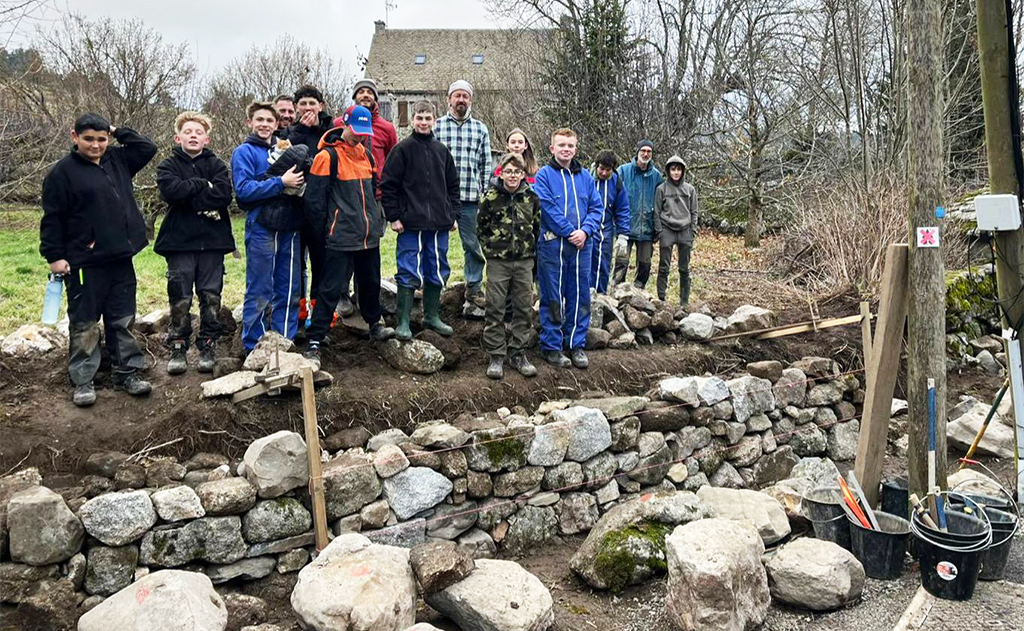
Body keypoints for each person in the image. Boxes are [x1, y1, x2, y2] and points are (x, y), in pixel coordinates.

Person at [39, 113, 158, 406]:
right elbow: (52, 219)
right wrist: (55, 256)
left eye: (101, 139)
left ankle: (126, 373)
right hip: (84, 262)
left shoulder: (118, 160)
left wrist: (117, 130)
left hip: (121, 257)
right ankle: (83, 380)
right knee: (85, 322)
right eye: (89, 138)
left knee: (123, 319)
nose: (96, 145)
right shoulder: (61, 174)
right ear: (74, 137)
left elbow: (147, 148)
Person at [302, 106, 394, 362]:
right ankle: (316, 340)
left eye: (364, 133)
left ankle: (374, 324)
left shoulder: (367, 155)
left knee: (370, 284)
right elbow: (314, 202)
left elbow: (373, 193)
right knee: (329, 289)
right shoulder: (327, 157)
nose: (360, 137)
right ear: (344, 124)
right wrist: (324, 234)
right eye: (355, 131)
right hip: (339, 237)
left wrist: (374, 225)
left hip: (368, 236)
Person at [154, 111, 235, 375]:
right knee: (180, 296)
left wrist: (190, 197)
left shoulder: (218, 166)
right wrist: (201, 184)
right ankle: (178, 345)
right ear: (178, 137)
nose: (193, 136)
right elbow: (171, 193)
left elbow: (223, 195)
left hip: (213, 242)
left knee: (211, 296)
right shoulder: (167, 166)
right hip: (179, 243)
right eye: (188, 132)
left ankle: (208, 345)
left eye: (198, 132)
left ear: (206, 139)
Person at [381, 100, 460, 341]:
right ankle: (404, 321)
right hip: (409, 223)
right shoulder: (402, 150)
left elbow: (453, 186)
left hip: (438, 224)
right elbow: (388, 185)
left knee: (436, 268)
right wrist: (393, 216)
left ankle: (431, 316)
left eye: (428, 118)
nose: (423, 122)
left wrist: (453, 214)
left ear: (434, 121)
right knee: (408, 269)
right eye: (419, 118)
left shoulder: (442, 151)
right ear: (412, 120)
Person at [231, 101, 305, 354]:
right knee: (260, 287)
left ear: (276, 125)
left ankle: (285, 342)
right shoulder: (244, 152)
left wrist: (298, 185)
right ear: (249, 122)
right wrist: (280, 182)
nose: (264, 125)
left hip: (290, 225)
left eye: (269, 121)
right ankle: (255, 347)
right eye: (259, 120)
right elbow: (243, 191)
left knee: (289, 287)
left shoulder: (285, 150)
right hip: (261, 224)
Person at [533, 128, 603, 369]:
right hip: (553, 245)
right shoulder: (543, 176)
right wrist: (569, 231)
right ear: (552, 148)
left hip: (582, 246)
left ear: (576, 148)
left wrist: (585, 231)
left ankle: (575, 344)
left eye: (570, 145)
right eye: (561, 145)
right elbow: (546, 208)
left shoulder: (586, 177)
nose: (566, 149)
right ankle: (552, 346)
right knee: (552, 295)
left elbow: (597, 208)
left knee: (580, 294)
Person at [334, 79, 399, 318]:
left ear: (375, 98)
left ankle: (366, 296)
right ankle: (342, 293)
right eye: (360, 92)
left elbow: (393, 161)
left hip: (375, 197)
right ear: (354, 97)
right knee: (347, 246)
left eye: (369, 92)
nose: (365, 95)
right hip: (347, 196)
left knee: (370, 248)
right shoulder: (341, 123)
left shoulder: (386, 128)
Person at [478, 153, 541, 379]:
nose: (512, 176)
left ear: (523, 174)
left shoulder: (530, 198)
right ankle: (496, 355)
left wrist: (529, 252)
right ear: (501, 173)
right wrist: (492, 252)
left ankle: (518, 353)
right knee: (495, 307)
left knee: (524, 308)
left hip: (524, 261)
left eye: (516, 172)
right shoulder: (490, 197)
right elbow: (481, 228)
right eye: (508, 171)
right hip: (498, 262)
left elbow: (537, 226)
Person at [434, 79, 492, 318]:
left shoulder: (480, 129)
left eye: (465, 96)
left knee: (473, 245)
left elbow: (485, 165)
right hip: (441, 198)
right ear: (449, 99)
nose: (460, 100)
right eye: (456, 95)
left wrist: (486, 193)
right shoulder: (437, 127)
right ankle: (435, 287)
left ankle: (474, 287)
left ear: (470, 100)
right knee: (438, 246)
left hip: (470, 197)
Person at [286, 85, 333, 326]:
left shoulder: (331, 130)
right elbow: (287, 155)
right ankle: (299, 310)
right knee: (296, 262)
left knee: (321, 260)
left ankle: (321, 311)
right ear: (296, 108)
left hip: (323, 206)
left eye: (311, 104)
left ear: (321, 106)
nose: (307, 108)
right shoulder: (290, 132)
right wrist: (302, 129)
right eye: (302, 104)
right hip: (295, 205)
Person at [613, 140, 663, 290]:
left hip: (647, 226)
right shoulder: (623, 171)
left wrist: (658, 227)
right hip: (625, 225)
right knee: (621, 261)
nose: (646, 154)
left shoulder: (657, 176)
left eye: (649, 151)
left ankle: (638, 291)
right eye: (643, 151)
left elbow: (660, 203)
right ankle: (616, 290)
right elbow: (613, 196)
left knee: (645, 264)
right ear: (637, 152)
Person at [654, 155, 698, 307]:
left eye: (679, 169)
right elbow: (657, 212)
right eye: (673, 169)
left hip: (685, 231)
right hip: (667, 230)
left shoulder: (690, 189)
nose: (676, 172)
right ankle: (661, 299)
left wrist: (693, 230)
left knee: (684, 268)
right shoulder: (661, 189)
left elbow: (694, 212)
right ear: (668, 171)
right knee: (664, 266)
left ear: (683, 171)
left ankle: (684, 302)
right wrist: (660, 231)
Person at [590, 151, 631, 294]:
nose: (604, 173)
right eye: (601, 169)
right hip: (587, 227)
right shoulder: (586, 178)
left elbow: (623, 208)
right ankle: (586, 295)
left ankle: (601, 295)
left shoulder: (617, 182)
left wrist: (623, 235)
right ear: (596, 166)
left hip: (606, 226)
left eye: (608, 170)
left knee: (604, 263)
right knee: (587, 262)